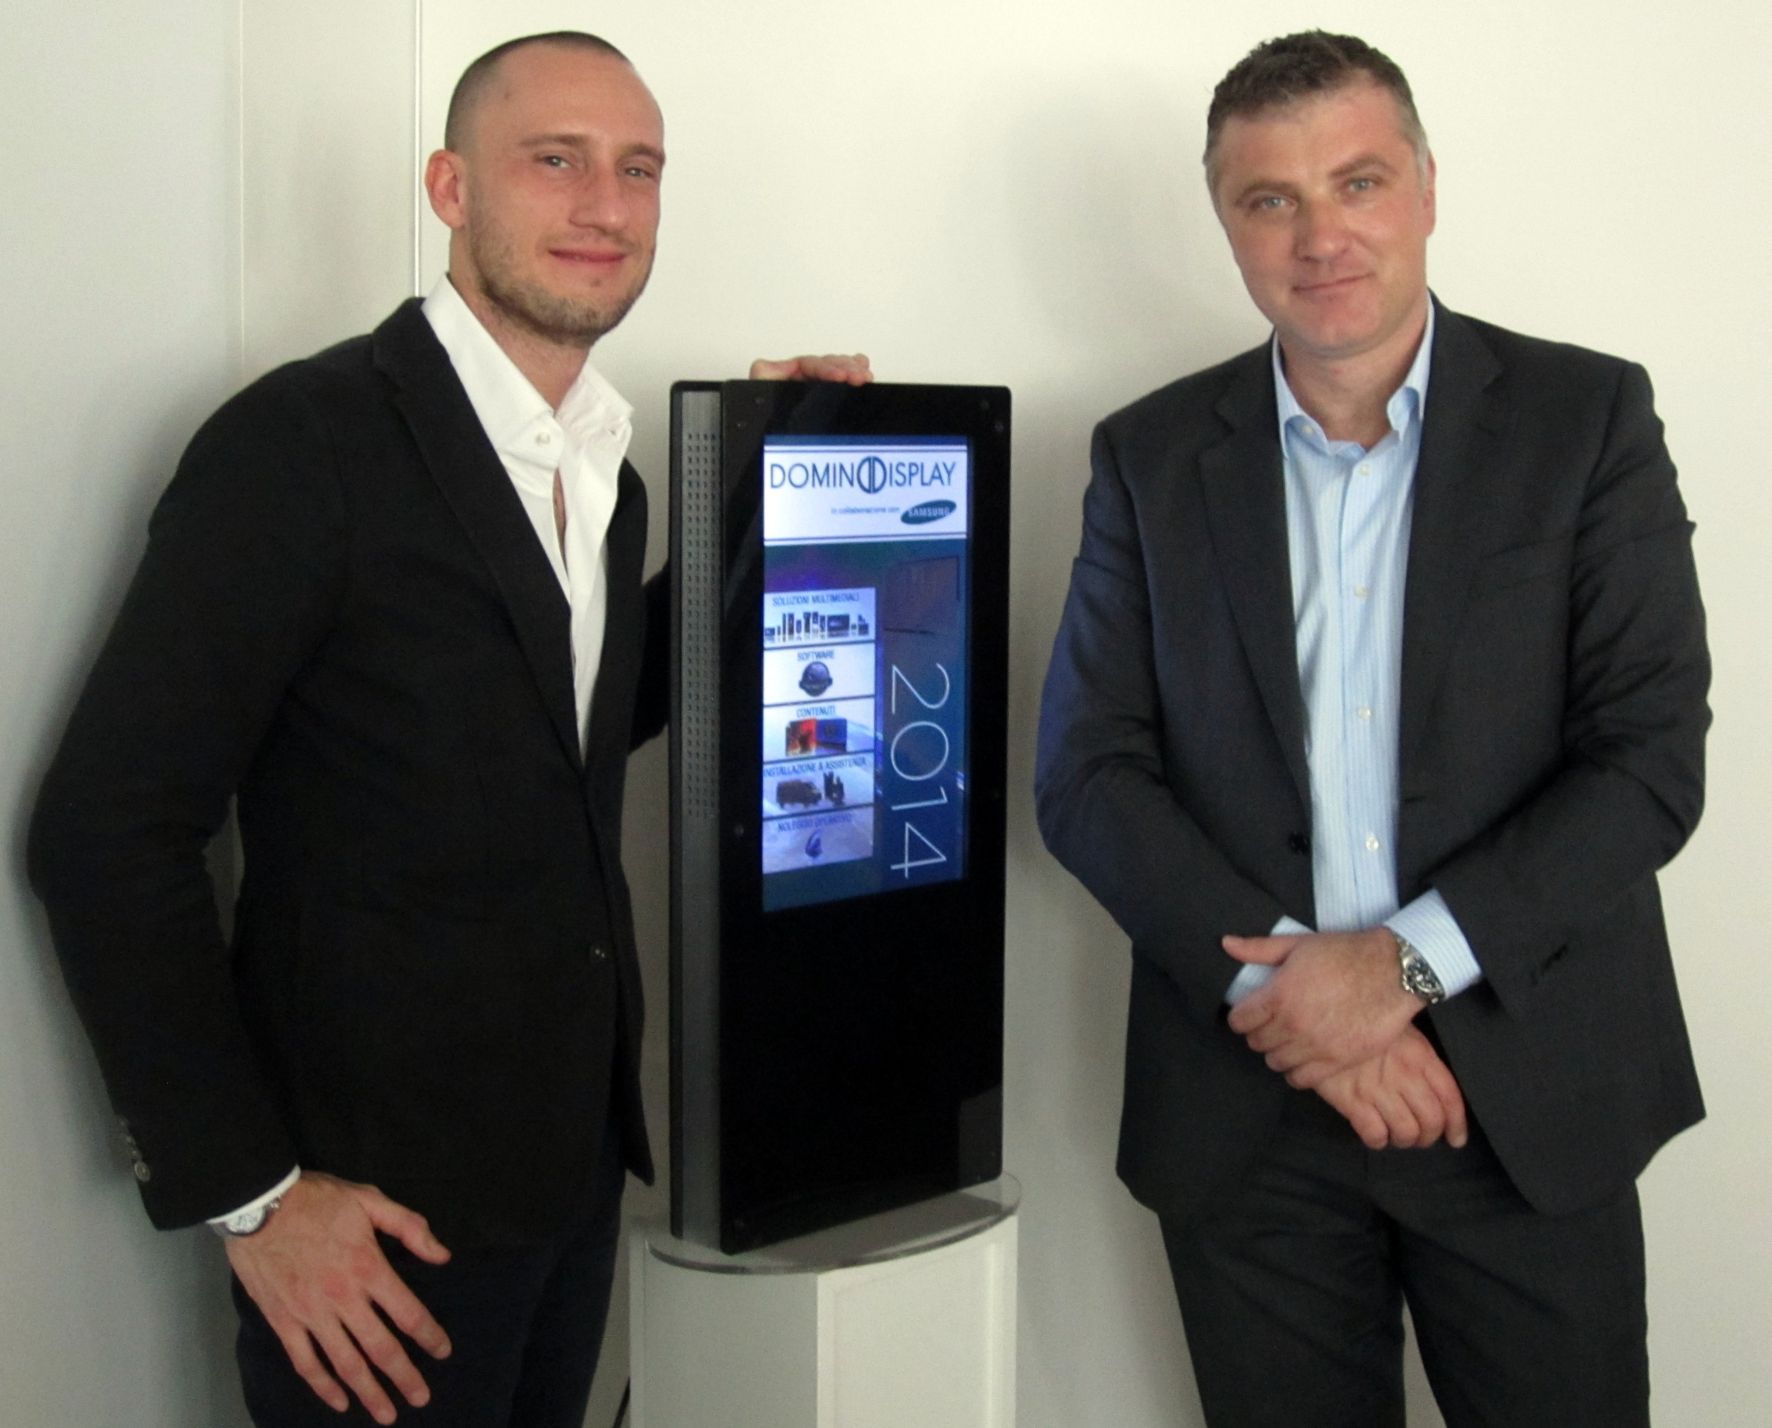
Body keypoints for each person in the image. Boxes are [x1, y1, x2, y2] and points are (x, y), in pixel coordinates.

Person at [28, 31, 867, 1428]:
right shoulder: (302, 443)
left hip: (571, 1171)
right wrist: (252, 1199)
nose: (604, 205)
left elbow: (571, 722)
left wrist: (770, 475)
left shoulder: (611, 472)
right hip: (371, 1223)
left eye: (639, 169)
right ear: (450, 188)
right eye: (556, 160)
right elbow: (103, 832)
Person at [1035, 30, 1707, 1428]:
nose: (1321, 235)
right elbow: (1088, 777)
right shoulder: (1148, 456)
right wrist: (1295, 1006)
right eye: (1270, 199)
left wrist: (1399, 970)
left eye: (1358, 182)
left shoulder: (1588, 420)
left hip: (1524, 1102)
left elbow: (1647, 760)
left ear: (1427, 188)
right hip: (1249, 1118)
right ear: (1226, 221)